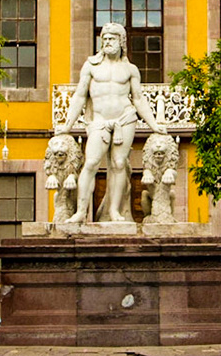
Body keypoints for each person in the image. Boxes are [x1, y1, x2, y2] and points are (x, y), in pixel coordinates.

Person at [59, 23, 161, 224]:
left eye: (111, 38)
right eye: (104, 38)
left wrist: (154, 124)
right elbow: (80, 96)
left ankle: (114, 211)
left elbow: (138, 99)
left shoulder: (130, 69)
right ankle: (81, 211)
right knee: (91, 163)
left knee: (119, 164)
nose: (107, 42)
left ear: (121, 41)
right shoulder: (91, 66)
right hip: (100, 121)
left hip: (125, 118)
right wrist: (67, 125)